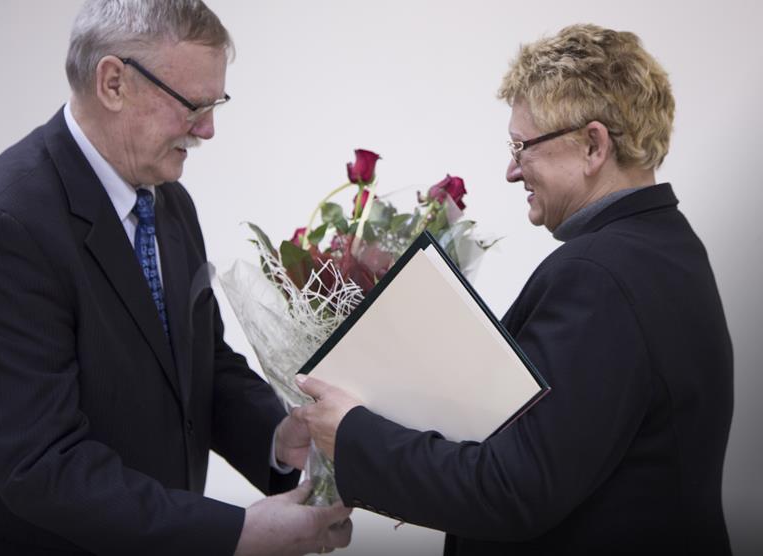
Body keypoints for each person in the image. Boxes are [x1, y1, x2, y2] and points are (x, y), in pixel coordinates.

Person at [293, 23, 733, 555]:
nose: (510, 170)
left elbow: (515, 490)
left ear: (593, 145)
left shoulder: (597, 274)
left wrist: (352, 436)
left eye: (523, 146)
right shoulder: (670, 246)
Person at [0, 1, 352, 554]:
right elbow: (43, 464)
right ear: (113, 83)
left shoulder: (168, 202)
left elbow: (202, 365)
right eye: (195, 105)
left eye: (215, 105)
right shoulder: (0, 227)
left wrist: (276, 438)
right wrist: (236, 534)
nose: (209, 129)